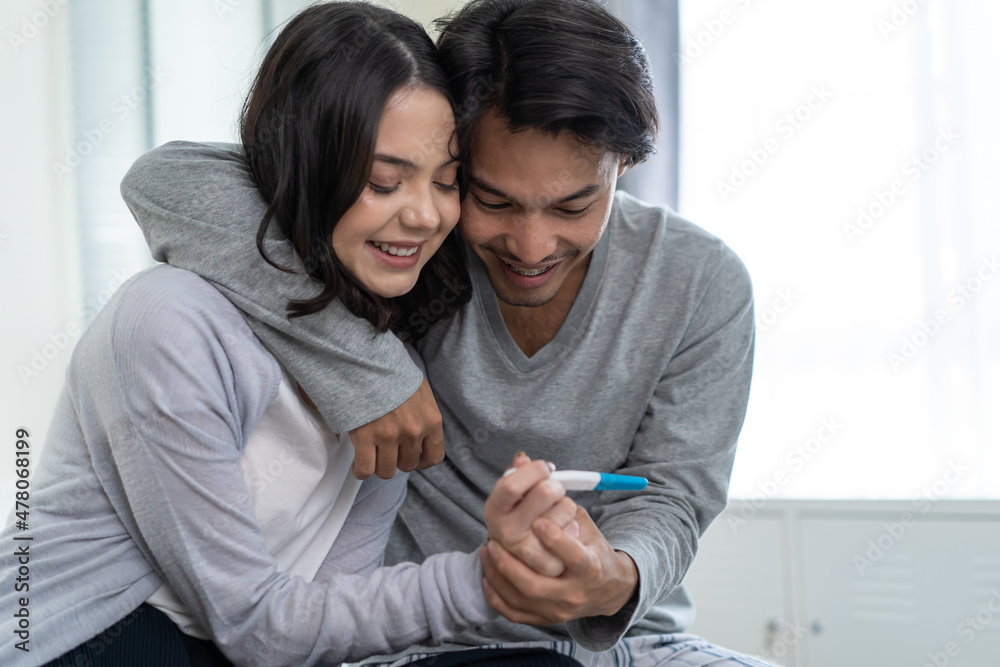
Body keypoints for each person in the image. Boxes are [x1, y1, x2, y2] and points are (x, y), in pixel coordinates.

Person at [120, 0, 778, 665]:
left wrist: (613, 576)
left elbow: (672, 493)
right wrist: (370, 369)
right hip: (419, 642)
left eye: (574, 205)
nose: (530, 245)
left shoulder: (702, 282)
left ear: (624, 166)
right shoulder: (412, 245)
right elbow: (166, 178)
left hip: (634, 639)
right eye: (491, 199)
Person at [0, 4, 583, 666]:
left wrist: (513, 563)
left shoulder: (393, 373)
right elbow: (255, 624)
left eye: (446, 182)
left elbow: (322, 625)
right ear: (305, 165)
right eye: (382, 181)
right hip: (92, 638)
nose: (423, 214)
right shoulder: (169, 323)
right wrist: (481, 582)